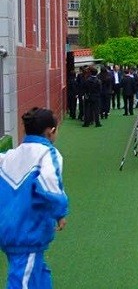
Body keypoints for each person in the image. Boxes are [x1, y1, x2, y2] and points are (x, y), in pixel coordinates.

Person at [0, 107, 68, 288]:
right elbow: (51, 186)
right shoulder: (47, 154)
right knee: (22, 278)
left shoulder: (11, 155)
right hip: (28, 231)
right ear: (51, 131)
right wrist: (60, 213)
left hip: (8, 228)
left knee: (37, 273)